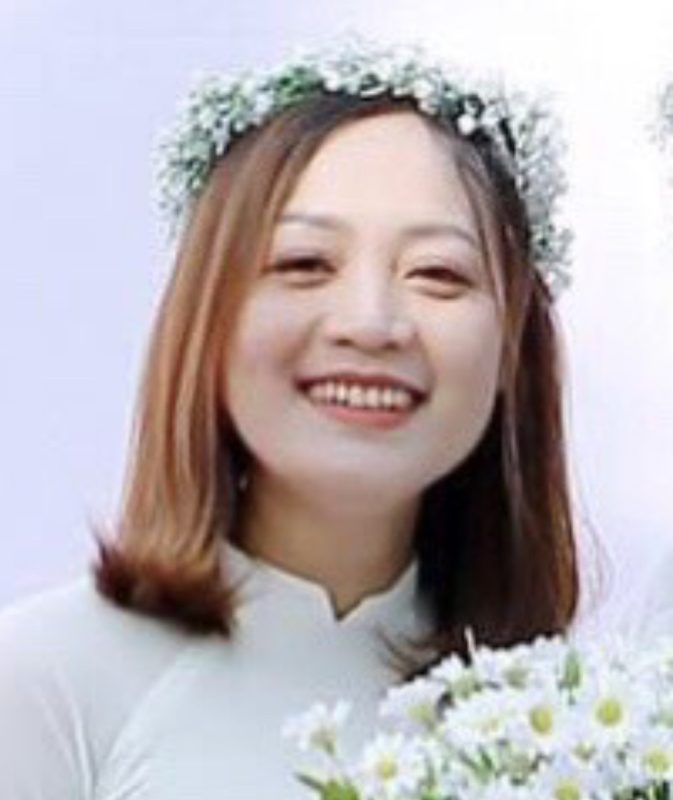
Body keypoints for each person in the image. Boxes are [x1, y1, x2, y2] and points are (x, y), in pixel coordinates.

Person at [0, 39, 579, 798]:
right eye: (304, 264)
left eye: (438, 274)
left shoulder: (560, 725)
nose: (371, 324)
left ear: (512, 346)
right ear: (206, 317)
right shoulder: (48, 681)